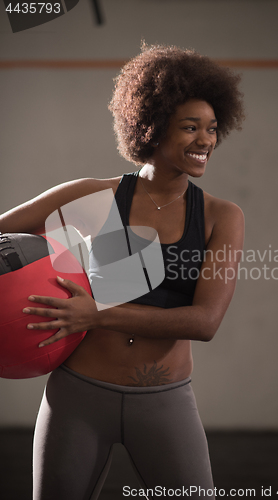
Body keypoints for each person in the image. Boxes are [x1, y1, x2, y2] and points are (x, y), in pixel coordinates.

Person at [0, 44, 245, 499]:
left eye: (211, 129)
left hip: (164, 400)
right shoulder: (94, 196)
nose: (205, 140)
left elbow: (205, 322)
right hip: (77, 395)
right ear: (151, 127)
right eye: (190, 127)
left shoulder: (220, 216)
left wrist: (96, 316)